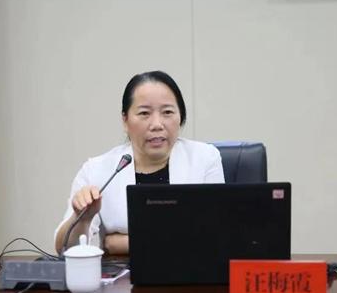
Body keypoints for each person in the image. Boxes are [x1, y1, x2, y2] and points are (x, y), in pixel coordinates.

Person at [54, 71, 224, 255]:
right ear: (125, 121)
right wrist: (83, 219)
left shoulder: (205, 159)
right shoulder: (97, 170)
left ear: (181, 117)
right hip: (123, 274)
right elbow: (64, 249)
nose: (157, 124)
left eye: (167, 112)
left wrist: (118, 244)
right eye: (144, 113)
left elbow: (216, 236)